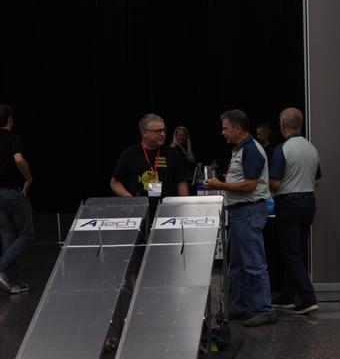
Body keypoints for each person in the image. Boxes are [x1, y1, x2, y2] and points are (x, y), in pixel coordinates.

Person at [204, 109, 276, 327]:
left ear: (237, 128)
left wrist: (220, 185)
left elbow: (250, 185)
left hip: (249, 211)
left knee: (254, 263)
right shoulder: (239, 149)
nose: (223, 132)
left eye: (226, 128)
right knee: (238, 264)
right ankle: (241, 307)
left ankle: (265, 310)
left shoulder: (251, 150)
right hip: (239, 212)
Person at [269, 107, 321, 314]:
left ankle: (308, 298)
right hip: (308, 201)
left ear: (282, 125)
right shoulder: (312, 148)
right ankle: (287, 297)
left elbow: (275, 182)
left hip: (289, 202)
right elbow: (317, 180)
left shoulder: (282, 149)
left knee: (290, 252)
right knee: (297, 251)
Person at [111, 113, 189, 198]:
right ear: (144, 132)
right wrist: (130, 198)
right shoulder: (129, 154)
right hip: (139, 206)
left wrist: (183, 203)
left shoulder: (173, 154)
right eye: (158, 131)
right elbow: (115, 182)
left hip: (166, 205)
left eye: (164, 130)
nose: (163, 134)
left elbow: (181, 183)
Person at [0, 105, 35, 294]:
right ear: (10, 120)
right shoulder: (13, 139)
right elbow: (19, 160)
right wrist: (28, 179)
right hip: (12, 193)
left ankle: (13, 284)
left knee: (9, 238)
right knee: (27, 235)